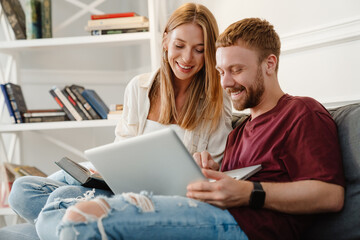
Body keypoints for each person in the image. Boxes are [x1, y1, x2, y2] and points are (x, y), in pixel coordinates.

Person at [39, 18, 345, 240]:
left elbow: (331, 195)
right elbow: (227, 185)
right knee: (55, 203)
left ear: (269, 64)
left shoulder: (301, 112)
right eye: (222, 71)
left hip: (246, 226)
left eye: (237, 70)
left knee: (79, 221)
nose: (226, 83)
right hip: (205, 208)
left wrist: (248, 192)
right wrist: (208, 171)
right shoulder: (241, 131)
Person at [7, 2, 232, 236]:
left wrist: (207, 167)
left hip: (147, 197)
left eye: (199, 49)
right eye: (179, 45)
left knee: (60, 199)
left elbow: (215, 171)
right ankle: (81, 228)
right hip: (115, 182)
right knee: (22, 190)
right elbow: (121, 149)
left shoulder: (217, 100)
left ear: (209, 52)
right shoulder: (140, 87)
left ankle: (74, 226)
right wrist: (103, 171)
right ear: (165, 41)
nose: (187, 57)